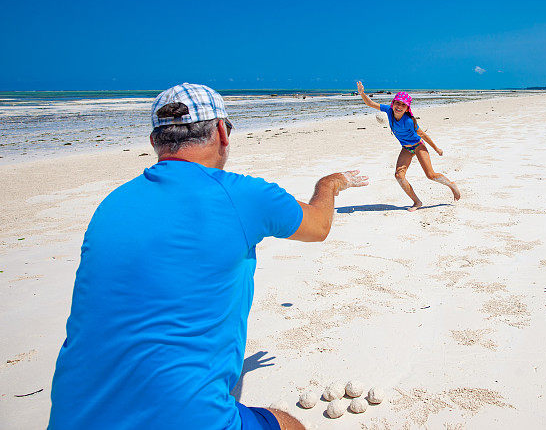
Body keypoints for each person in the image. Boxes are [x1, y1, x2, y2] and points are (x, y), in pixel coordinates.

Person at [48, 83, 368, 430]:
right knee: (290, 425)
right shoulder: (242, 195)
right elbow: (319, 227)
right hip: (186, 418)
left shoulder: (111, 205)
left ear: (154, 141)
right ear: (221, 132)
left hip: (74, 414)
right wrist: (330, 183)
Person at [356, 81, 460, 211]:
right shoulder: (388, 111)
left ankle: (452, 185)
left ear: (407, 108)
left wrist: (436, 149)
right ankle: (417, 202)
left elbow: (423, 135)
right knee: (399, 176)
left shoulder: (409, 121)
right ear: (393, 103)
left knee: (430, 175)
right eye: (397, 103)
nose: (399, 107)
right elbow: (370, 103)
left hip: (418, 146)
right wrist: (362, 93)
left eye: (403, 105)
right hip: (406, 148)